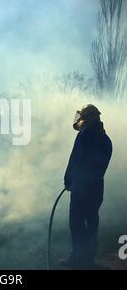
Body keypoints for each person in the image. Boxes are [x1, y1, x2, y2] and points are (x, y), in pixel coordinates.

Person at [59, 104, 112, 269]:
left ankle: (76, 260)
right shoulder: (106, 140)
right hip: (97, 189)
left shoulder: (84, 136)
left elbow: (75, 159)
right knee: (91, 222)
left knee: (76, 223)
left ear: (87, 119)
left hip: (81, 188)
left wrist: (69, 180)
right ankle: (89, 260)